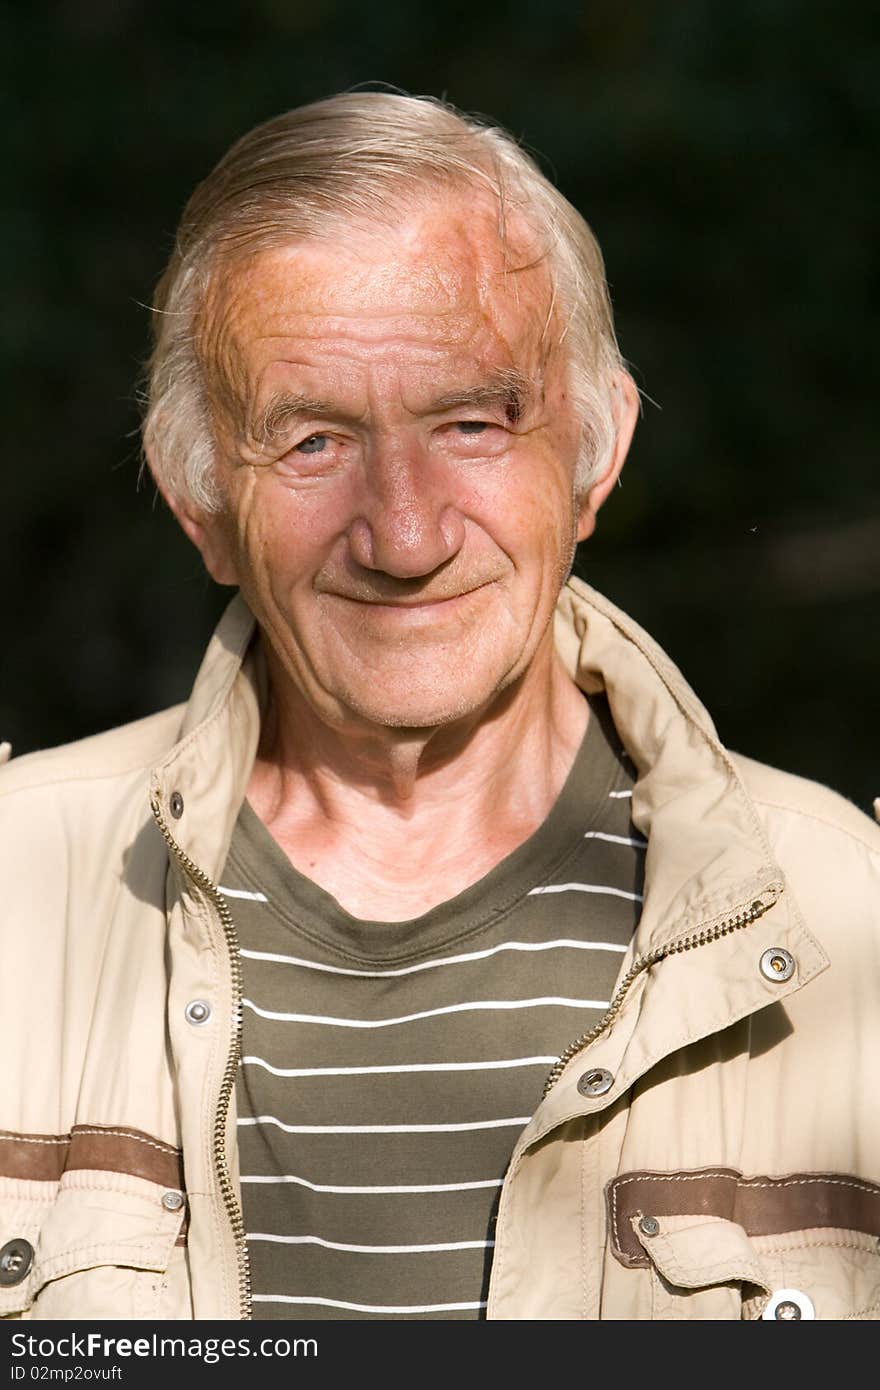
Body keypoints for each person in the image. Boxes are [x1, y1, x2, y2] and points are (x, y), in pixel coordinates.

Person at [1, 92, 878, 1324]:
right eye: (311, 442)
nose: (404, 535)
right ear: (197, 499)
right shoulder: (12, 896)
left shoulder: (853, 918)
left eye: (470, 422)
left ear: (595, 450)